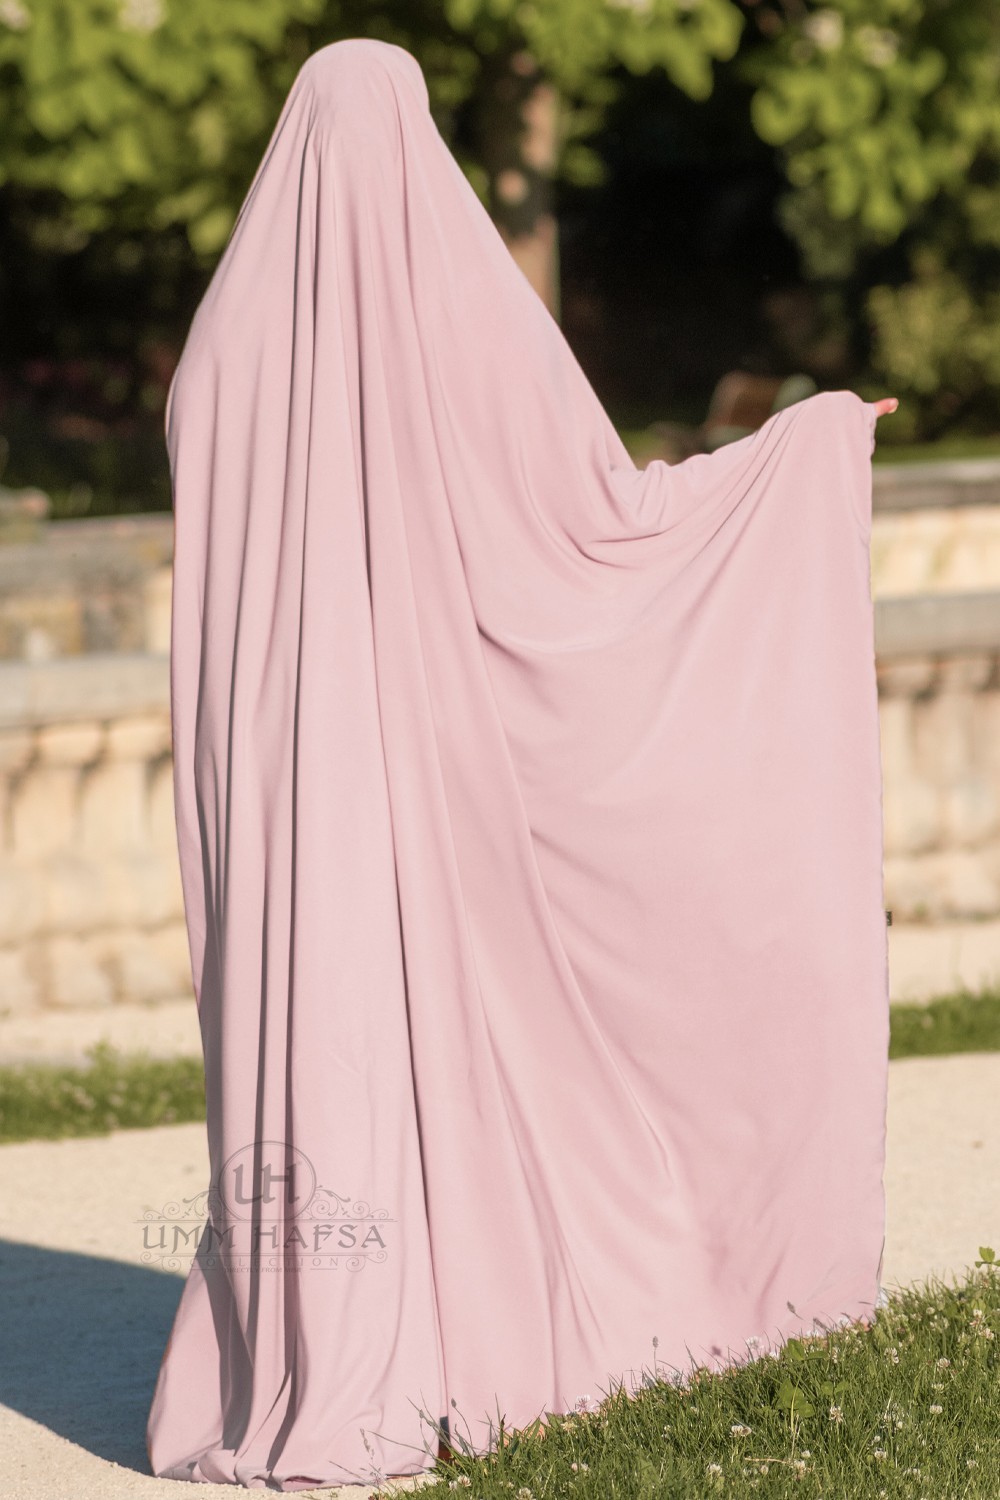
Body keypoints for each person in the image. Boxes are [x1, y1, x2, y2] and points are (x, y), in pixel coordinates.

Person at [146, 36, 898, 1491]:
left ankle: (318, 1350)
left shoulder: (222, 352)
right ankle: (443, 1332)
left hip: (291, 801)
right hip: (428, 780)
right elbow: (600, 518)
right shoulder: (454, 308)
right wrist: (802, 450)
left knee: (325, 1029)